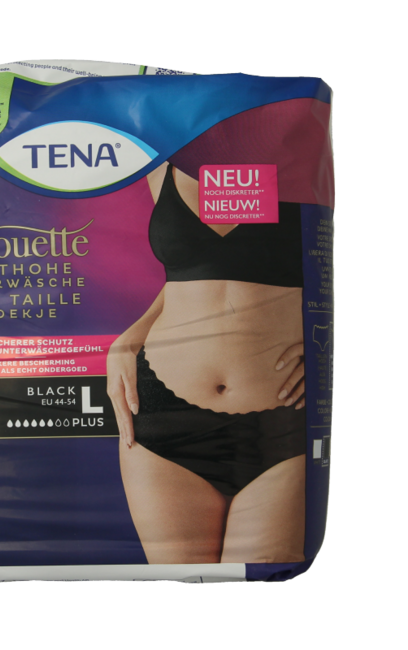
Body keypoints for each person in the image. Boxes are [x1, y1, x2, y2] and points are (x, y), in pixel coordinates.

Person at [107, 162, 306, 565]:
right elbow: (189, 272)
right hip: (163, 415)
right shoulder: (162, 160)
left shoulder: (298, 146)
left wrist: (324, 341)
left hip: (282, 417)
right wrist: (127, 339)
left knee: (259, 577)